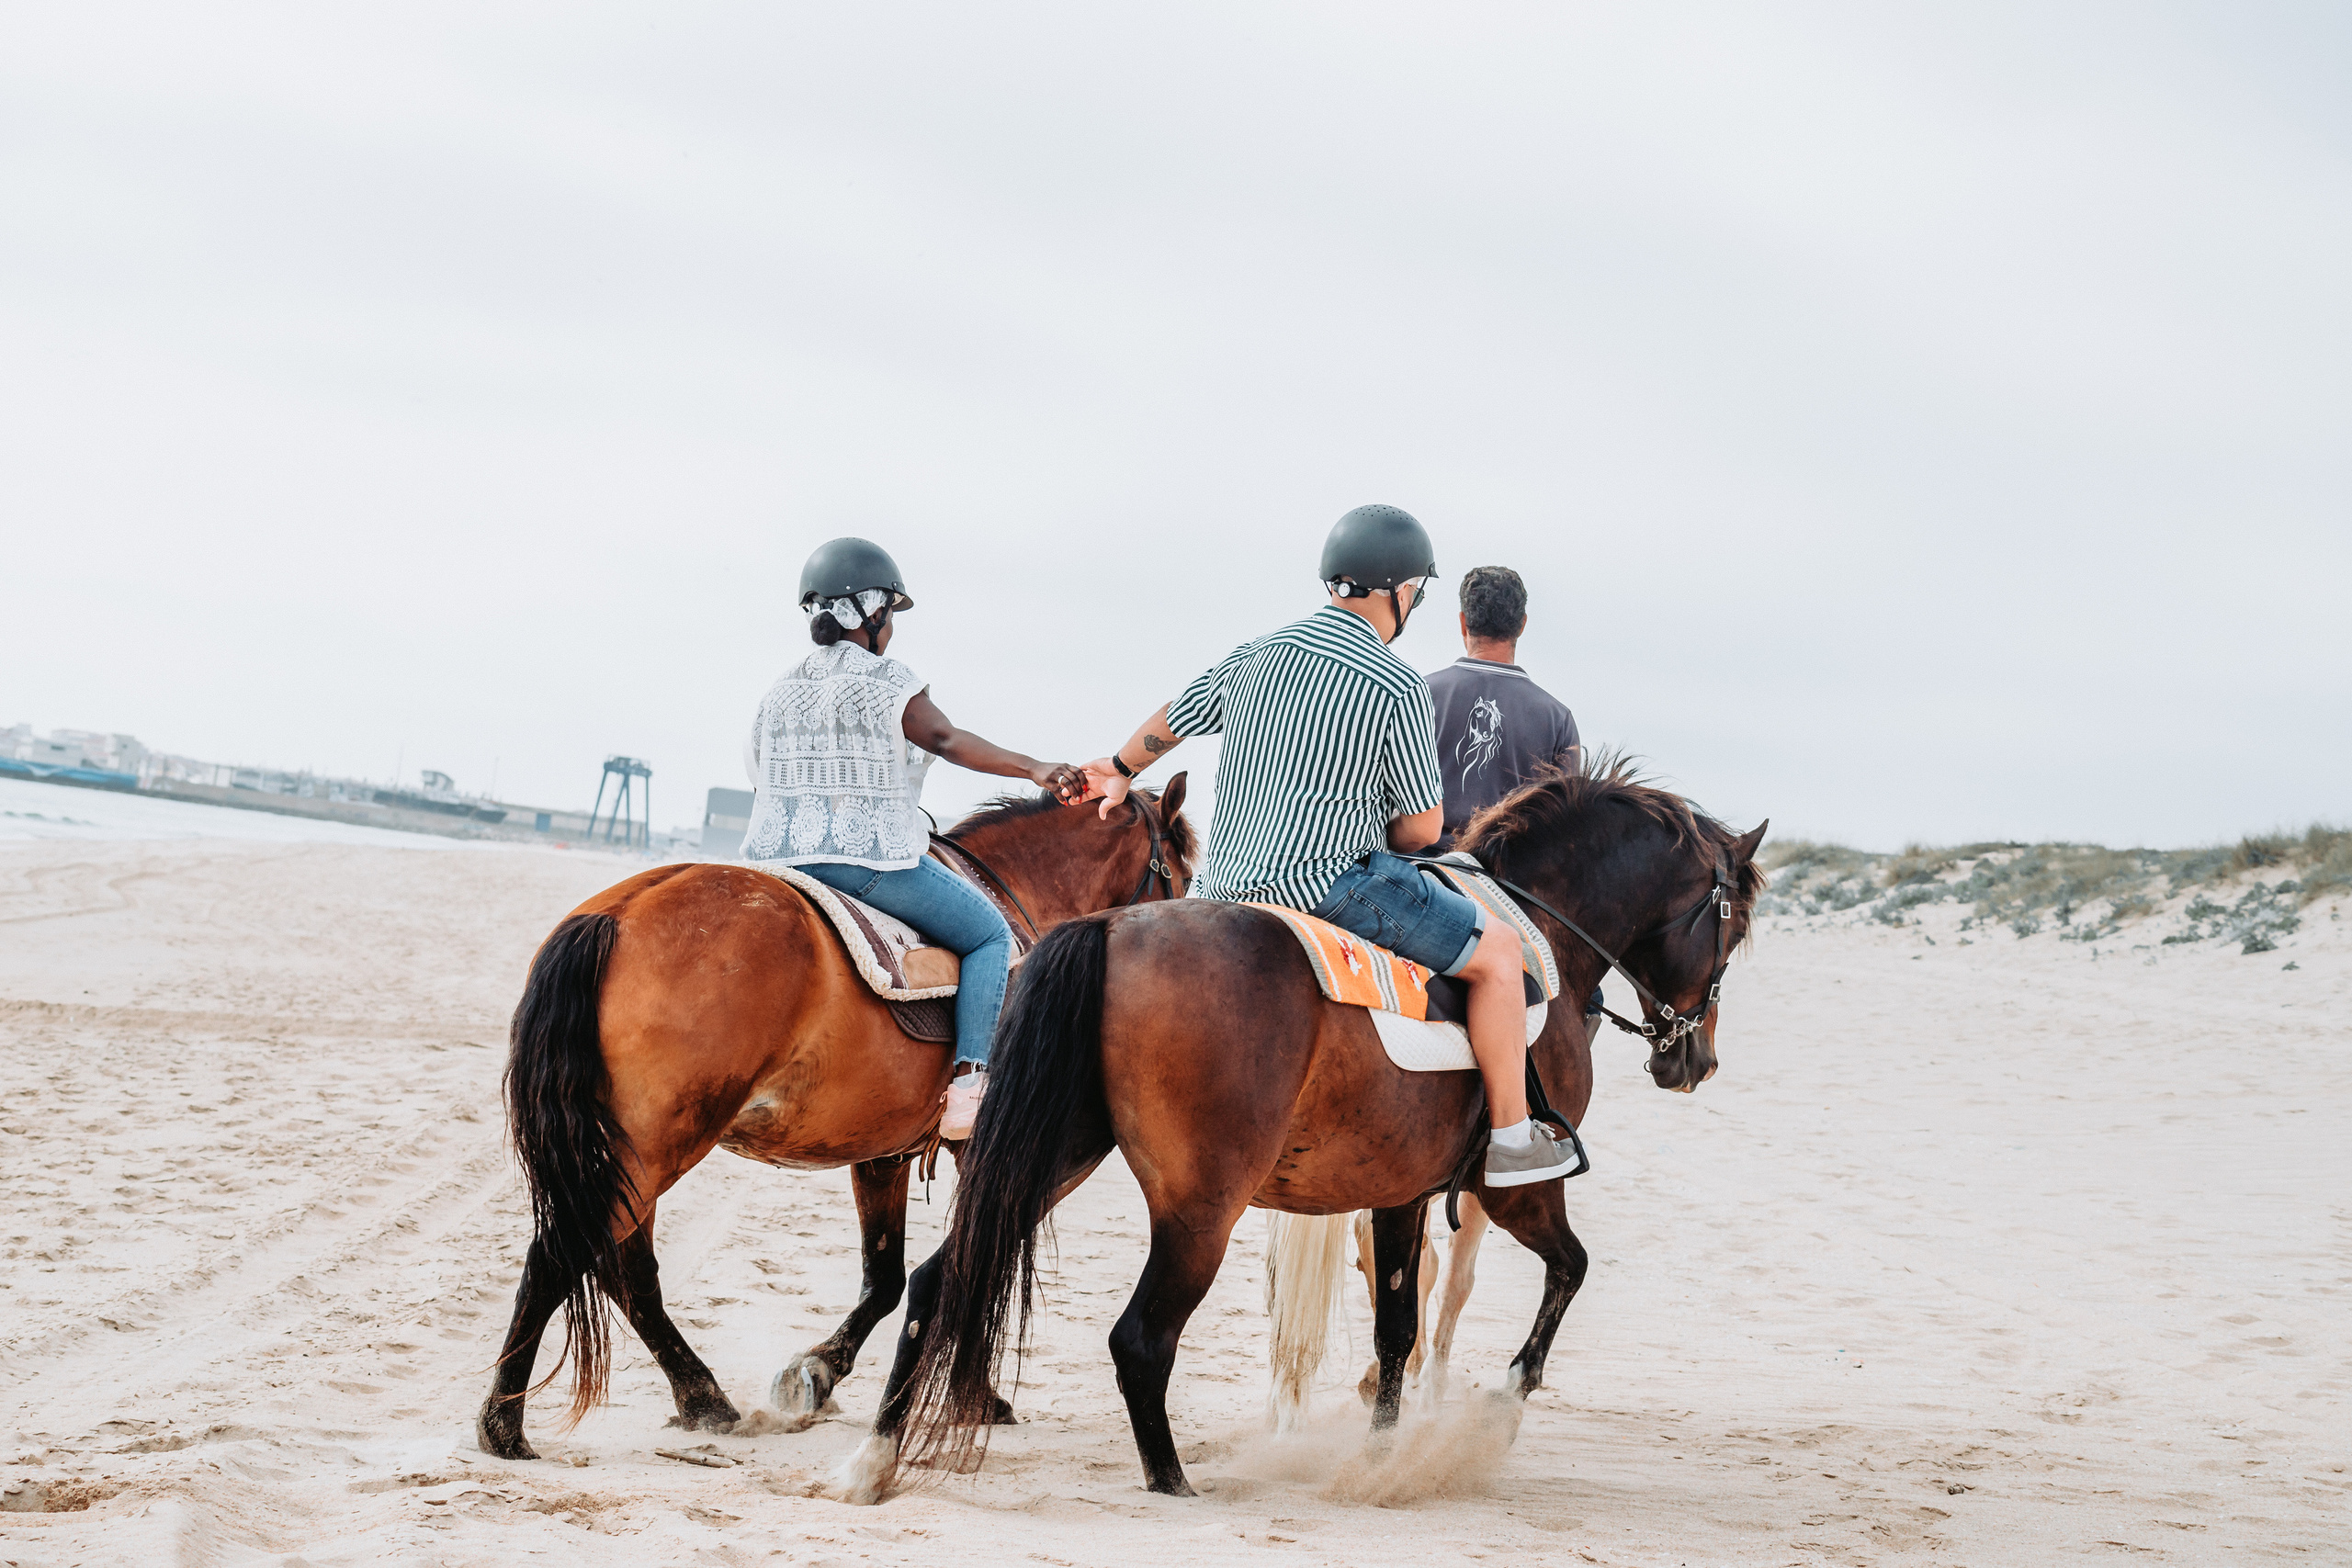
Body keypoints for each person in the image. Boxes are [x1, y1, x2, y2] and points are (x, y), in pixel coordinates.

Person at [1082, 505, 1578, 1187]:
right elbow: (1422, 831)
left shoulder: (1257, 653)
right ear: (1399, 591)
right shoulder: (1395, 682)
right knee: (1497, 954)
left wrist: (1118, 768)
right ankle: (1514, 1139)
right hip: (1327, 884)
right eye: (1417, 593)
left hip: (1224, 885)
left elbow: (1175, 720)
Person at [741, 536, 1086, 1138]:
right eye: (891, 616)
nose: (892, 628)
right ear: (872, 612)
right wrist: (1034, 768)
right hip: (866, 861)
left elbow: (756, 769)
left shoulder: (779, 689)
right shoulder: (887, 681)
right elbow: (947, 741)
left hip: (781, 863)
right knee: (987, 935)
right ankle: (969, 1085)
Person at [1427, 565, 1603, 1038]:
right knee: (1590, 999)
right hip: (1510, 899)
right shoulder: (1556, 717)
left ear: (1463, 622)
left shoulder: (1418, 695)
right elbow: (1568, 840)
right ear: (1523, 624)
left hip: (1419, 878)